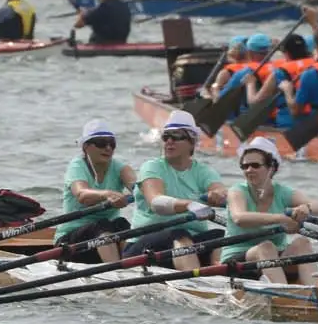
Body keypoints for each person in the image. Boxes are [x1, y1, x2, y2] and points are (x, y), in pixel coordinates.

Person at [125, 110, 227, 268]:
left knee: (221, 236)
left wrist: (219, 196)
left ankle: (222, 280)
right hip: (143, 246)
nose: (169, 141)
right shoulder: (152, 167)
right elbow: (156, 201)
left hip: (189, 246)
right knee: (180, 235)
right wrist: (188, 205)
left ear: (192, 142)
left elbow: (221, 191)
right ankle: (195, 284)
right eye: (166, 136)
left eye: (176, 136)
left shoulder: (204, 172)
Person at [222, 137, 318, 284]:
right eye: (245, 166)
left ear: (271, 168)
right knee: (267, 247)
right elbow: (240, 218)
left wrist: (306, 208)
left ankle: (315, 295)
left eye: (255, 165)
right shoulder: (237, 191)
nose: (249, 170)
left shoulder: (282, 192)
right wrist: (282, 219)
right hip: (237, 258)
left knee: (302, 242)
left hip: (275, 258)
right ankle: (282, 296)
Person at [58, 119, 138, 261]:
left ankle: (132, 271)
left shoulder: (120, 167)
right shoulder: (77, 166)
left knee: (122, 224)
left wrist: (144, 191)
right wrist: (107, 194)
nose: (108, 148)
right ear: (86, 147)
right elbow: (82, 195)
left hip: (105, 240)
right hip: (71, 242)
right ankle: (115, 271)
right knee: (102, 225)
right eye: (101, 143)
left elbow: (137, 187)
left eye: (111, 144)